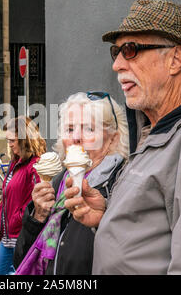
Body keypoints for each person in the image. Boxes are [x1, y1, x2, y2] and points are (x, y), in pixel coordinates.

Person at [64, 0, 181, 274]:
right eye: (115, 52)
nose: (117, 64)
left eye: (130, 50)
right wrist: (106, 218)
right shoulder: (161, 132)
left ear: (175, 60)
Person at [14, 92, 129, 275]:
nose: (76, 137)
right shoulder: (58, 183)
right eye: (69, 129)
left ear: (113, 138)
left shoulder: (124, 184)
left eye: (89, 129)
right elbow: (21, 259)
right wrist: (36, 217)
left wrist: (102, 221)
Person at [0, 116, 46, 275]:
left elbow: (37, 201)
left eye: (12, 140)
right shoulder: (15, 162)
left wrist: (17, 218)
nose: (9, 145)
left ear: (25, 139)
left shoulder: (36, 165)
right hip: (8, 237)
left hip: (22, 235)